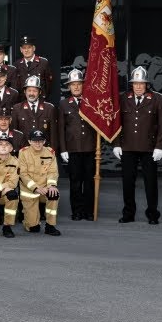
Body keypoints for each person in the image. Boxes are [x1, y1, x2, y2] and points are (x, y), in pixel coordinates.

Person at [116, 66, 162, 225]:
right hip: (127, 146)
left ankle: (153, 213)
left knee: (150, 182)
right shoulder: (123, 98)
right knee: (127, 182)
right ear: (131, 84)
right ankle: (128, 213)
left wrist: (160, 146)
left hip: (149, 148)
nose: (138, 86)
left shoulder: (158, 99)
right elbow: (116, 123)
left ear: (146, 84)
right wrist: (116, 144)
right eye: (135, 83)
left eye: (141, 83)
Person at [59, 69, 99, 220]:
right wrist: (63, 149)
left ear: (83, 85)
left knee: (89, 181)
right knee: (75, 182)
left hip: (90, 148)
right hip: (73, 149)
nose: (76, 87)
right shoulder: (64, 104)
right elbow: (61, 128)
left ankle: (89, 211)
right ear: (69, 87)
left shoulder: (92, 102)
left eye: (79, 84)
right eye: (73, 84)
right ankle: (77, 211)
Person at [19, 129, 62, 235]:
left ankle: (50, 225)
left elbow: (53, 171)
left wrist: (51, 185)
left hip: (45, 187)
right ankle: (28, 221)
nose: (38, 143)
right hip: (30, 190)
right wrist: (36, 187)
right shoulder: (23, 153)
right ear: (29, 141)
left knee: (54, 194)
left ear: (44, 141)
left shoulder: (50, 152)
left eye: (40, 141)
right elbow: (23, 174)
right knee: (33, 228)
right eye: (35, 141)